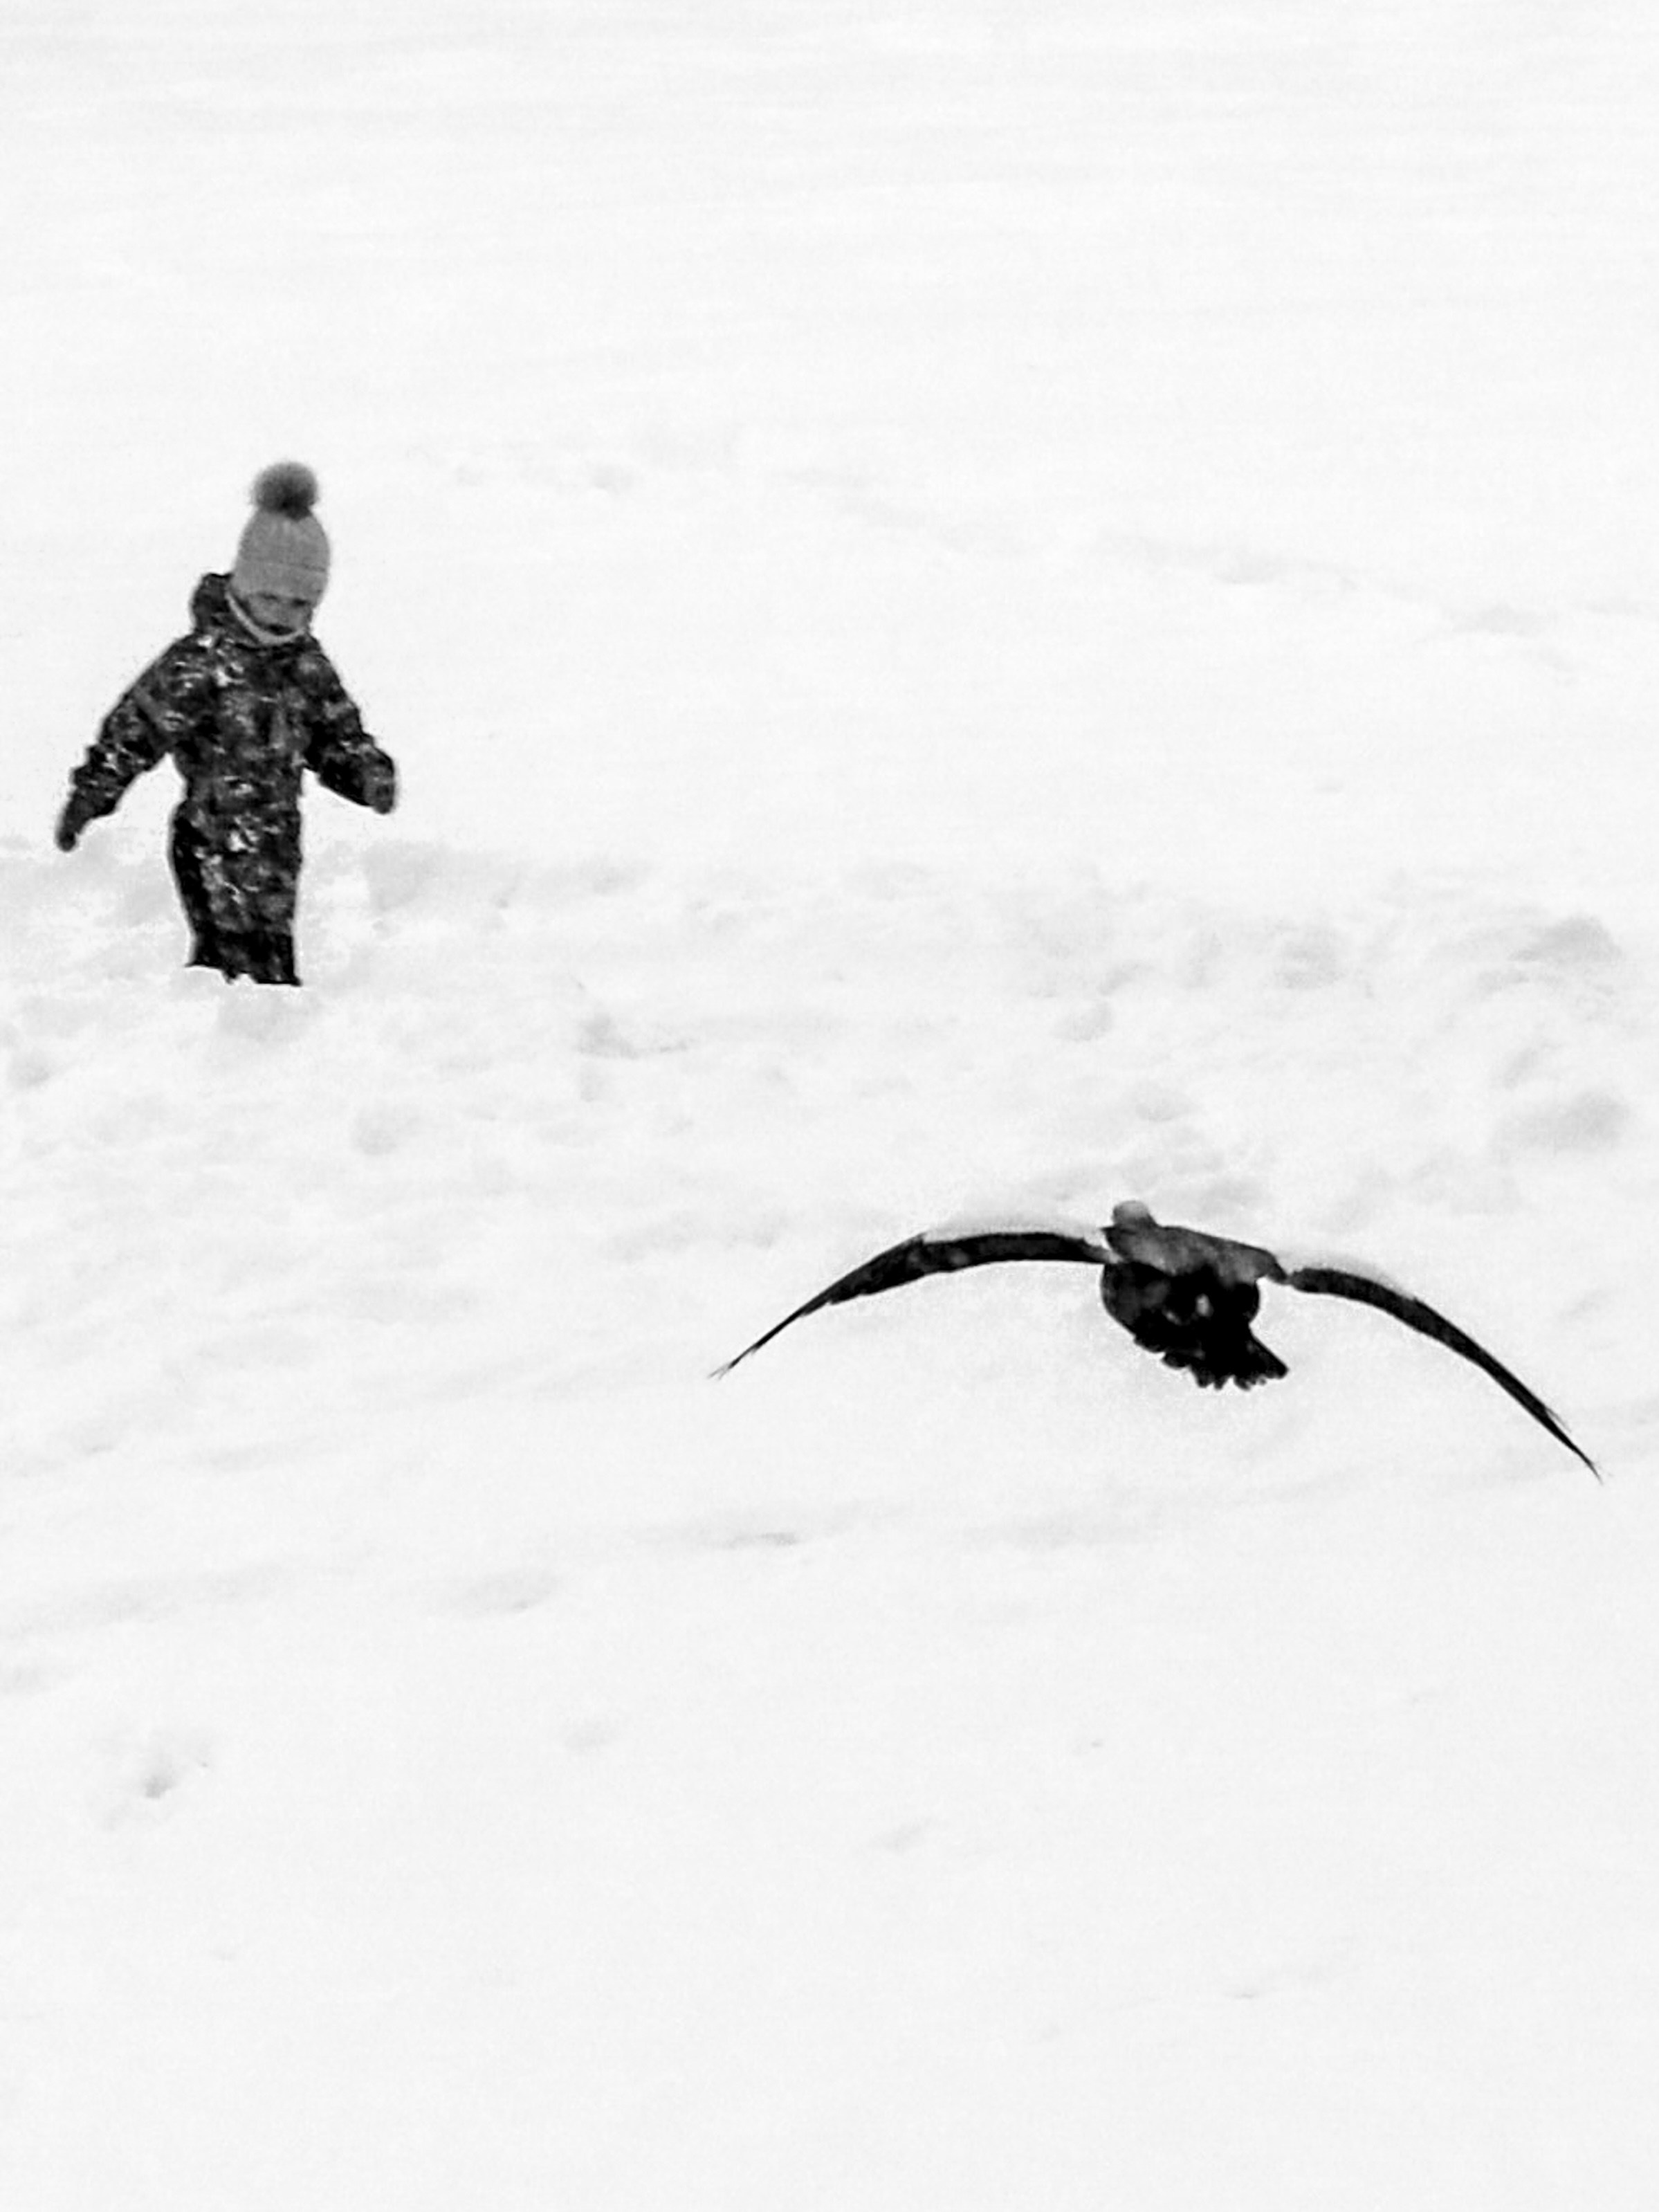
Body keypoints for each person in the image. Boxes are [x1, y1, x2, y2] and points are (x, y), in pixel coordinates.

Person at [55, 462, 397, 985]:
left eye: (300, 603)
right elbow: (136, 728)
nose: (283, 615)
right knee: (226, 961)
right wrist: (93, 792)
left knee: (271, 958)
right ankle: (216, 1027)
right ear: (243, 582)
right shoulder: (201, 662)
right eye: (270, 597)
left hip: (277, 845)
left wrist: (366, 772)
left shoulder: (306, 664)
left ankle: (259, 1028)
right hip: (209, 839)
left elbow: (335, 734)